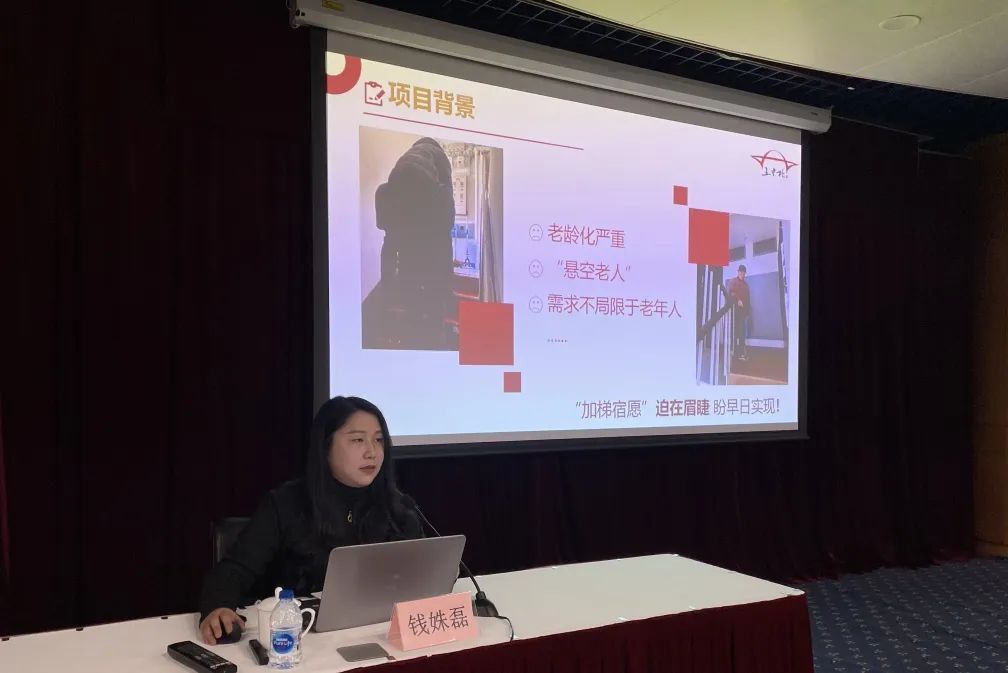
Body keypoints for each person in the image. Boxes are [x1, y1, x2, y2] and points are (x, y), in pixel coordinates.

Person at [197, 396, 423, 645]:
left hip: (378, 634)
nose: (372, 452)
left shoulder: (397, 506)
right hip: (298, 640)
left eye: (379, 440)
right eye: (358, 440)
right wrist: (218, 606)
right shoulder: (286, 503)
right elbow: (235, 569)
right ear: (325, 447)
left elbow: (421, 575)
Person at [727, 264, 751, 361]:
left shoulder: (746, 285)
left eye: (743, 272)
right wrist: (738, 300)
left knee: (742, 333)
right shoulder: (733, 281)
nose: (741, 273)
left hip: (742, 312)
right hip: (734, 311)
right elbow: (731, 292)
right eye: (740, 272)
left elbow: (748, 299)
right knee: (734, 332)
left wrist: (747, 312)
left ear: (745, 273)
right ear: (738, 272)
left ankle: (741, 353)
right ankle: (732, 351)